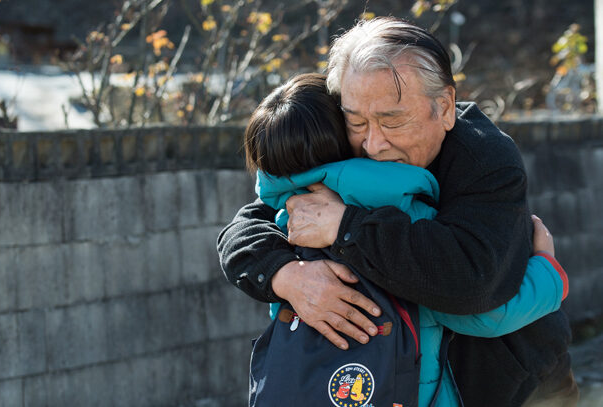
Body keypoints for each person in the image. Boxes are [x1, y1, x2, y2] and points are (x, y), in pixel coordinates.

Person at [218, 18, 578, 406]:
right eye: (356, 121)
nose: (373, 144)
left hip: (518, 385)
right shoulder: (338, 152)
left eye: (392, 120)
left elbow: (473, 285)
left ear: (444, 108)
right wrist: (286, 276)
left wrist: (344, 227)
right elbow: (244, 230)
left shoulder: (485, 159)